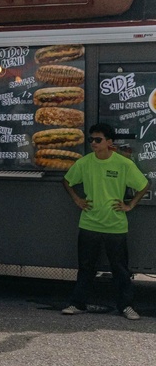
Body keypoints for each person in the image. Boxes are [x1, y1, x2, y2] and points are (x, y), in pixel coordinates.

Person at [62, 123, 150, 320]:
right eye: (91, 139)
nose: (93, 143)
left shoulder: (123, 164)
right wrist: (77, 200)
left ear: (109, 142)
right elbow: (67, 181)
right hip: (88, 224)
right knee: (86, 268)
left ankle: (126, 306)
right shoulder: (84, 163)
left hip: (115, 226)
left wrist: (130, 205)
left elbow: (144, 185)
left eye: (98, 139)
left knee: (120, 270)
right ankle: (77, 304)